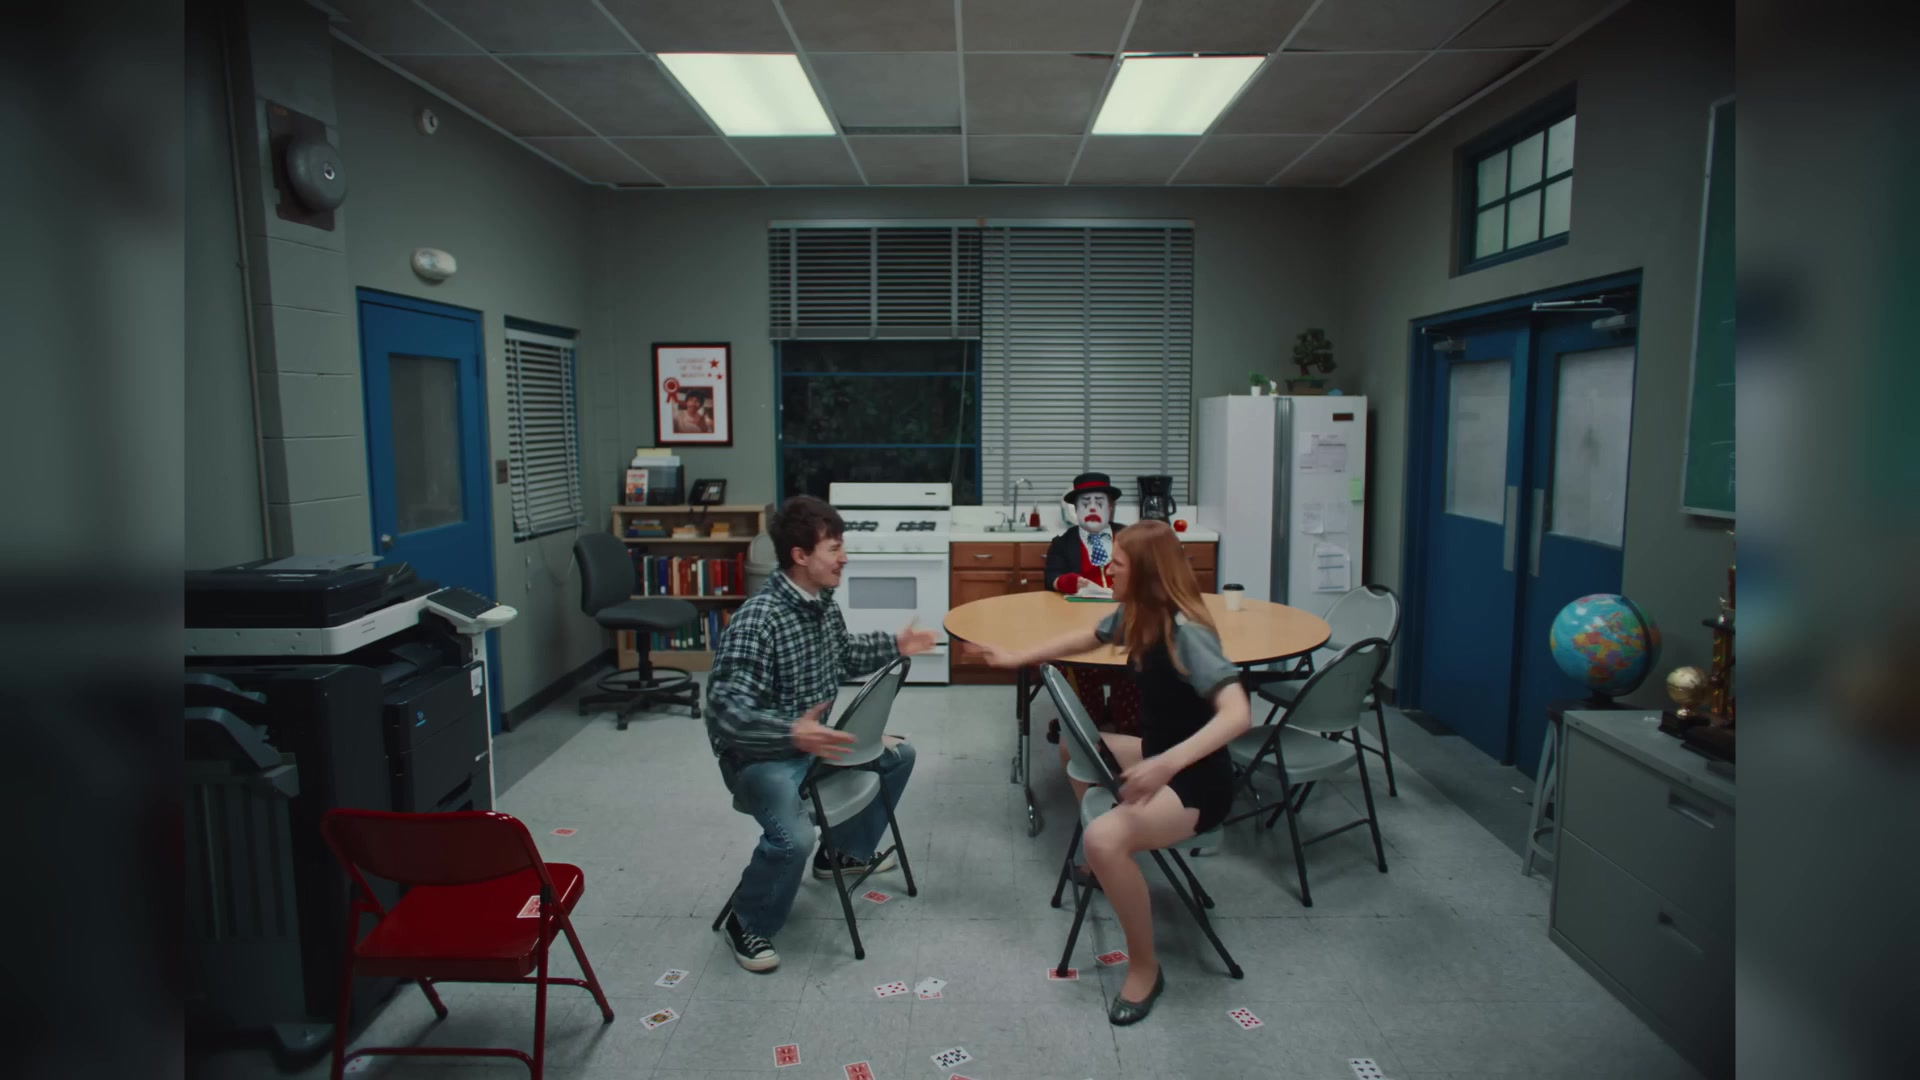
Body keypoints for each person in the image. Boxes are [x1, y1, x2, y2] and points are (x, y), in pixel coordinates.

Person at [983, 518, 1250, 1025]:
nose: (1108, 570)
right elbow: (1086, 636)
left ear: (1146, 573)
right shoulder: (1139, 613)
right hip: (1158, 754)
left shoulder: (1188, 634)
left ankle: (1145, 968)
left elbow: (1238, 715)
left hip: (1198, 781)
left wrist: (1164, 764)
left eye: (1119, 564)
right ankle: (1110, 867)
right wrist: (1017, 657)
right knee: (1073, 749)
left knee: (1102, 840)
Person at [706, 495, 936, 972]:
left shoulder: (821, 606)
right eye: (834, 548)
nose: (844, 557)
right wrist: (793, 732)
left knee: (899, 757)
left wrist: (895, 643)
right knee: (792, 838)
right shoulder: (759, 619)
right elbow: (727, 712)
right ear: (800, 555)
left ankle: (840, 855)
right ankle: (745, 921)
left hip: (812, 744)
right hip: (758, 758)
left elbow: (844, 656)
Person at [1041, 472, 1143, 744]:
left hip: (1125, 624)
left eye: (1100, 502)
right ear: (1075, 509)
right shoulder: (1063, 543)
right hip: (1081, 625)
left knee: (1137, 661)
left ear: (1112, 507)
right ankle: (1088, 722)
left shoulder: (1131, 538)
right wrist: (1068, 582)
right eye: (1085, 503)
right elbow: (1051, 577)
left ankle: (1129, 726)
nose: (1093, 508)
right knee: (1075, 664)